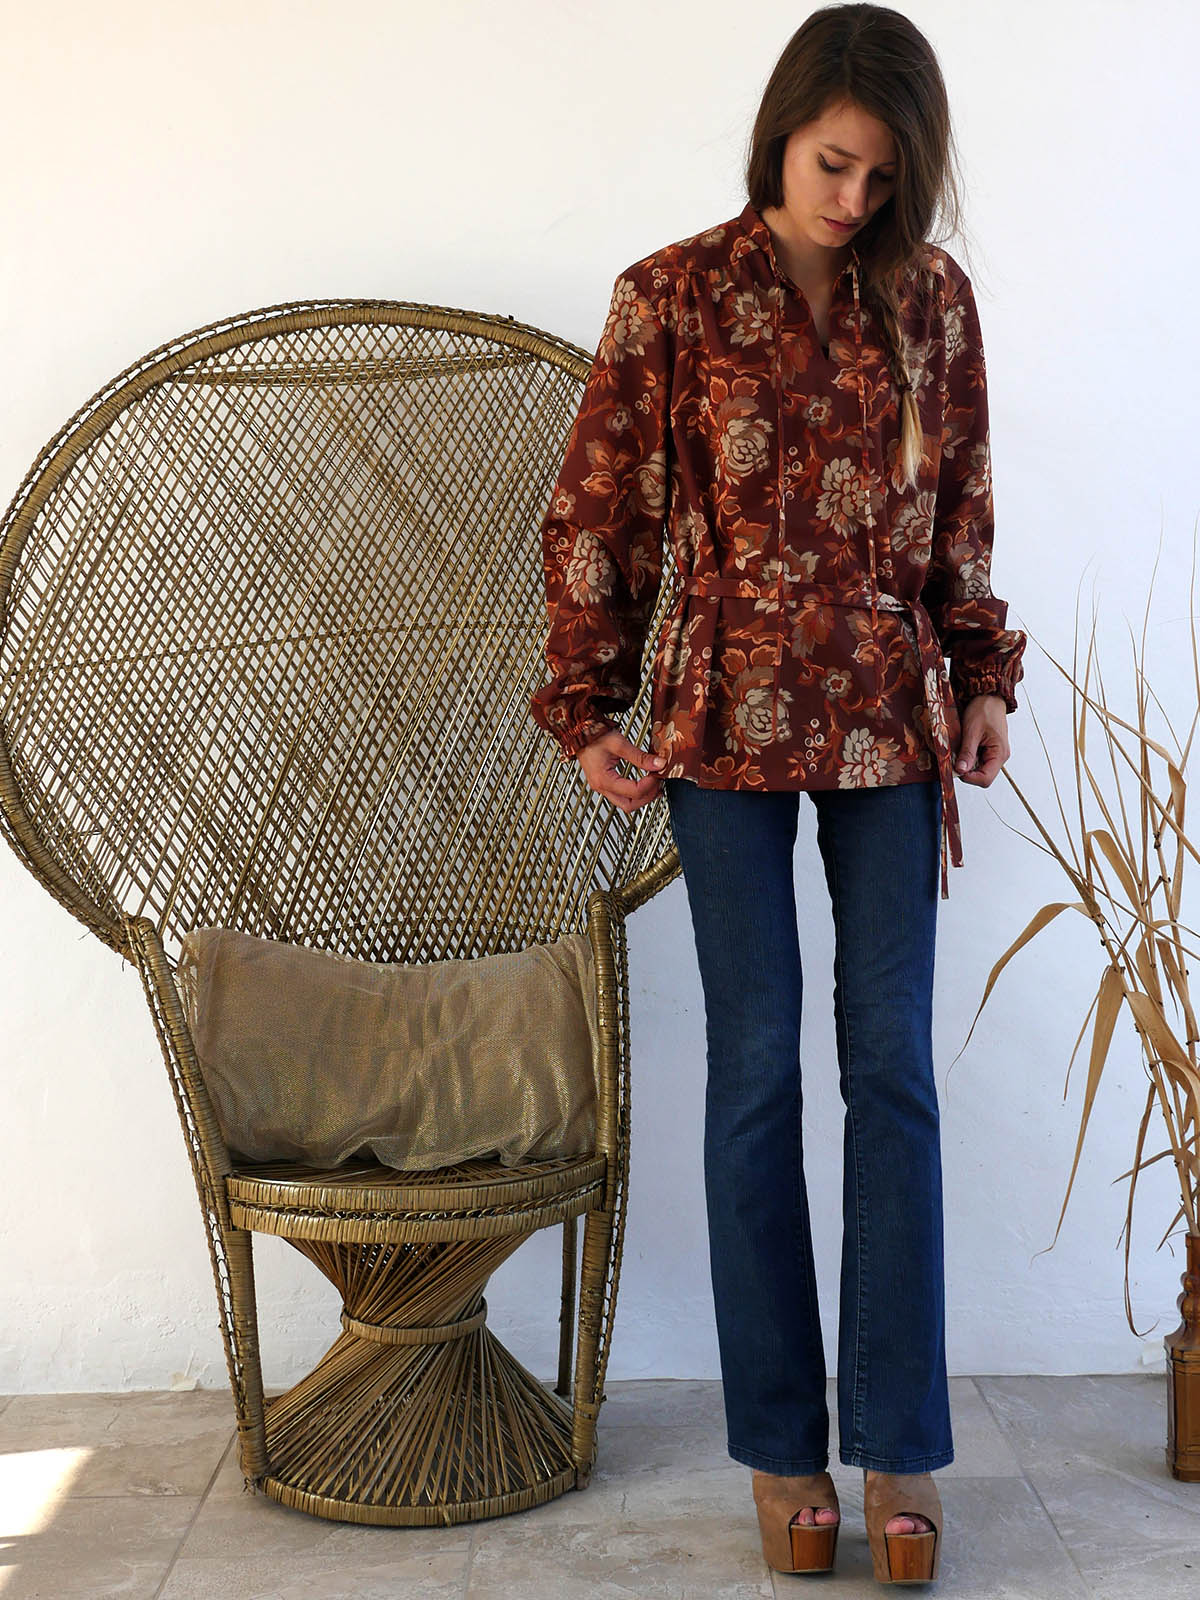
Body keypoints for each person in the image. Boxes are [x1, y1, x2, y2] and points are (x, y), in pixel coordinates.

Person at [530, 3, 1026, 1583]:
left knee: (891, 1070)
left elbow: (961, 511)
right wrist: (584, 705)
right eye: (833, 163)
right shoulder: (668, 296)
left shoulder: (929, 307)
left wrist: (987, 673)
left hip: (887, 720)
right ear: (782, 135)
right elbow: (598, 511)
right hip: (718, 720)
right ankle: (780, 1452)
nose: (854, 200)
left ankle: (898, 1446)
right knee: (754, 1071)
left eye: (884, 178)